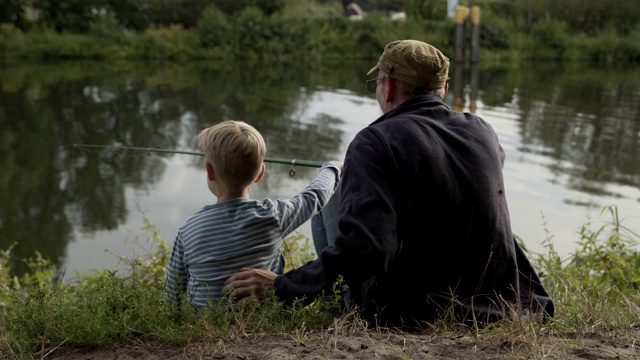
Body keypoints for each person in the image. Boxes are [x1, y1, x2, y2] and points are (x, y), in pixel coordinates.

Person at [223, 40, 554, 328]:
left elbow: (370, 249)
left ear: (389, 87)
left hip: (412, 311)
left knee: (335, 185)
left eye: (378, 81)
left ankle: (335, 298)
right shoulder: (483, 132)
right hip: (499, 303)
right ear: (444, 90)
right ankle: (332, 292)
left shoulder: (373, 141)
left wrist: (284, 285)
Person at [165, 120, 342, 310]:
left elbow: (174, 290)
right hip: (261, 321)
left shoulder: (189, 229)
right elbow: (315, 196)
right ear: (260, 174)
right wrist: (332, 167)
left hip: (202, 325)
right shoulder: (272, 216)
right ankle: (335, 299)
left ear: (209, 171)